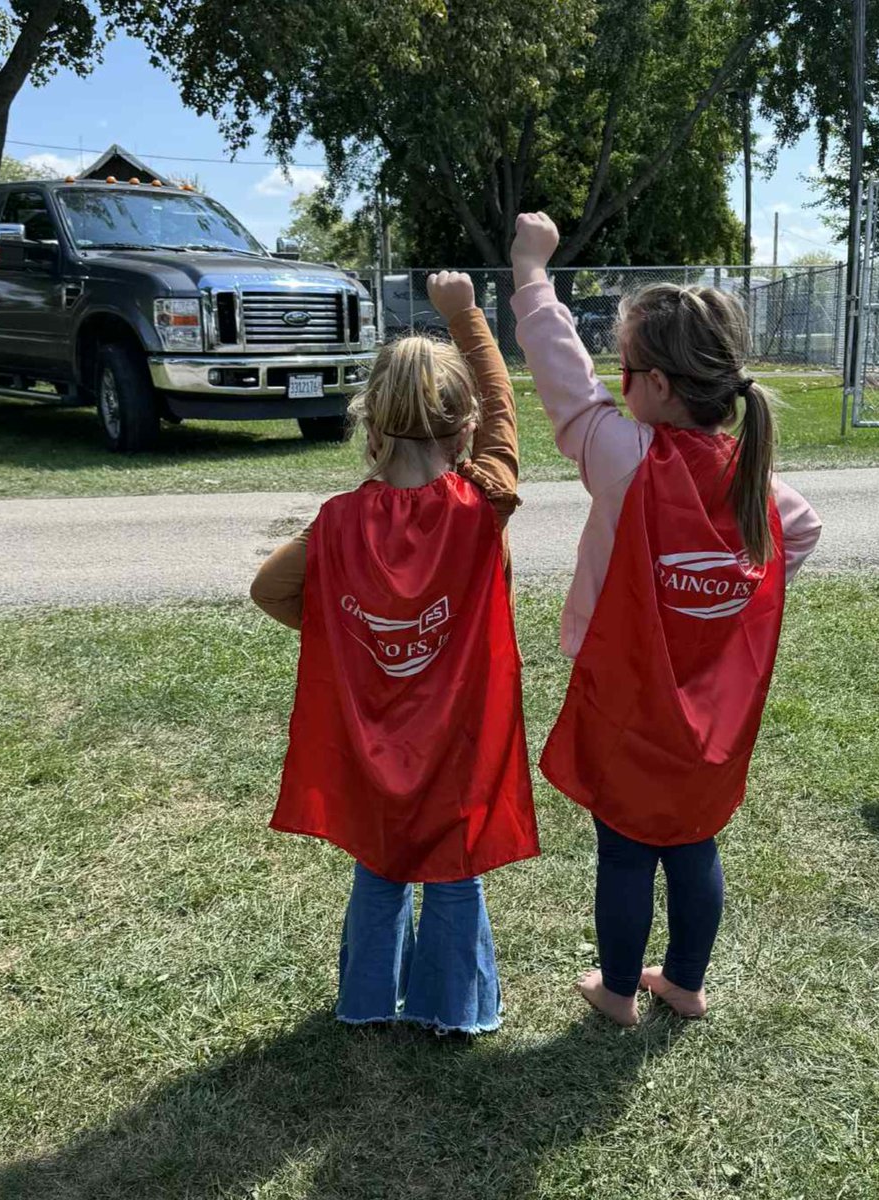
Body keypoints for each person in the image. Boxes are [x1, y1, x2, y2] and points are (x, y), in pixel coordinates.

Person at [509, 213, 822, 1026]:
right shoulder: (752, 478)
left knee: (624, 845)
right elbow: (804, 531)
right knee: (691, 842)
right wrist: (728, 599)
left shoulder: (624, 455)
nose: (614, 380)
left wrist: (531, 274)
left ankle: (617, 992)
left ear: (657, 386)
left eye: (626, 367)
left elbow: (561, 380)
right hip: (713, 707)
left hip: (624, 697)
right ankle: (683, 983)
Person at [251, 271, 538, 1034]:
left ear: (370, 430)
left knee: (377, 867)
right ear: (467, 431)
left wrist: (358, 643)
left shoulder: (336, 524)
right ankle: (454, 1010)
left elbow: (270, 591)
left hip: (371, 733)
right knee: (453, 870)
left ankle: (369, 1002)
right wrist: (465, 315)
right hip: (460, 740)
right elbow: (507, 413)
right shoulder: (487, 504)